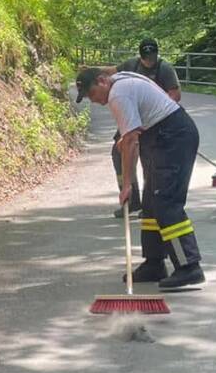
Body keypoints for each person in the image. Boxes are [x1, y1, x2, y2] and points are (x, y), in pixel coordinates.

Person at [76, 65, 204, 289]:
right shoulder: (122, 81)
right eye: (88, 97)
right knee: (151, 203)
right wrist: (127, 137)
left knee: (166, 202)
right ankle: (154, 263)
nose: (93, 100)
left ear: (102, 80)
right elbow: (134, 128)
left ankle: (188, 266)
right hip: (163, 135)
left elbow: (132, 143)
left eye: (92, 93)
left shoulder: (118, 94)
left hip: (173, 138)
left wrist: (127, 184)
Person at [110, 39, 180, 218]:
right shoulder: (131, 65)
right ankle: (130, 199)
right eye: (146, 58)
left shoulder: (164, 69)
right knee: (119, 153)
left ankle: (150, 205)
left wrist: (155, 109)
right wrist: (91, 70)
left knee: (149, 160)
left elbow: (175, 95)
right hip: (132, 117)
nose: (149, 61)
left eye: (152, 57)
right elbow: (111, 72)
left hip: (153, 121)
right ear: (140, 56)